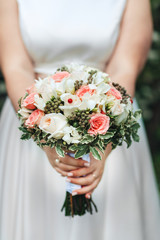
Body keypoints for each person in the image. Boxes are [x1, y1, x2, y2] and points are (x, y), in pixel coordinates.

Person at [0, 0, 160, 239]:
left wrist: (103, 144)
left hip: (109, 118)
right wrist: (43, 134)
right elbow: (15, 65)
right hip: (32, 119)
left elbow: (125, 65)